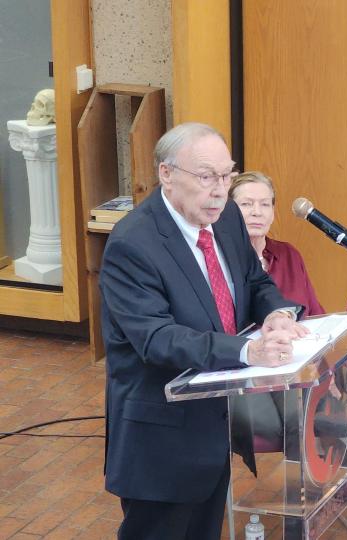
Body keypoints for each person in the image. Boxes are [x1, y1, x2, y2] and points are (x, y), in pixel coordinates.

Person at [100, 123, 310, 539]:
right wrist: (249, 352)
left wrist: (278, 315)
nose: (220, 189)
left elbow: (255, 282)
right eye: (206, 176)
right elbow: (157, 339)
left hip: (216, 423)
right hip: (162, 438)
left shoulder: (226, 216)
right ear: (166, 174)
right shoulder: (133, 245)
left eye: (227, 174)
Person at [228, 172, 347, 539]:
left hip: (301, 382)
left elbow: (316, 317)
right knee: (311, 414)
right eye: (246, 204)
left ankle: (308, 519)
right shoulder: (222, 264)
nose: (256, 212)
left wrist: (327, 373)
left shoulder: (287, 255)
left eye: (264, 203)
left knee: (313, 408)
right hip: (247, 388)